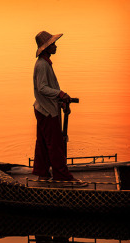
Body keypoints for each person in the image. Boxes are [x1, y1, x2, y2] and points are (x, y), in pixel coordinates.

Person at [33, 31, 81, 182]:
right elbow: (42, 88)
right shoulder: (42, 65)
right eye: (52, 44)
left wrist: (61, 102)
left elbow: (48, 88)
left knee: (43, 143)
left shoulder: (45, 63)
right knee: (55, 145)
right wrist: (60, 94)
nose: (55, 46)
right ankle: (61, 175)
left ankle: (42, 173)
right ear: (46, 48)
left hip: (44, 108)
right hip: (47, 111)